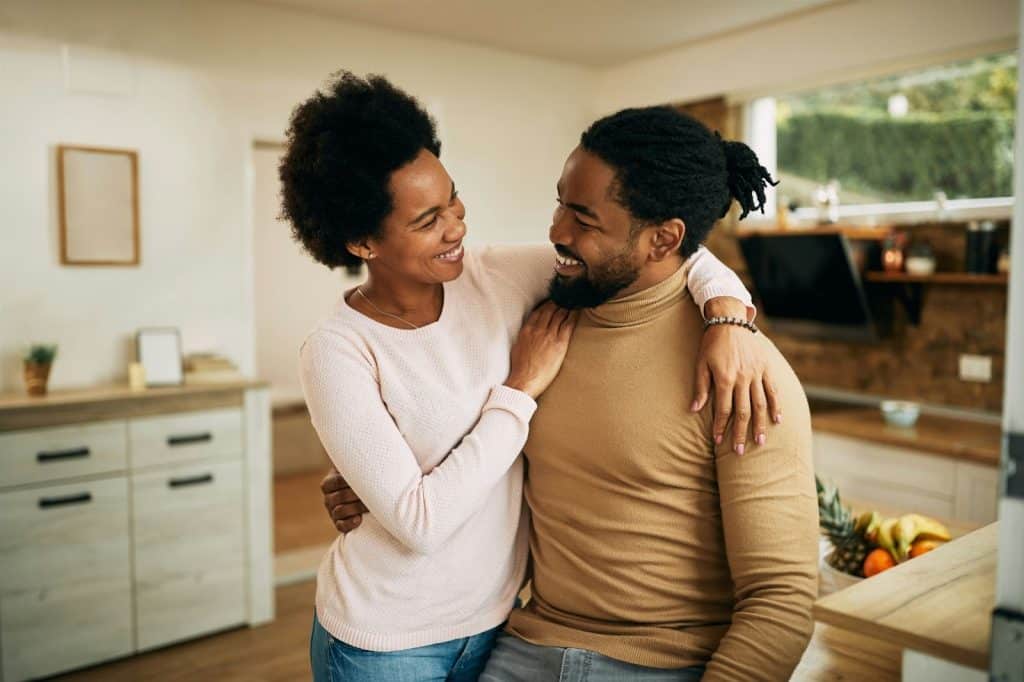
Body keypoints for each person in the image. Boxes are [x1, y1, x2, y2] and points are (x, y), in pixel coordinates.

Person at [284, 72, 778, 682]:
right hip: (384, 643)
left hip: (498, 627)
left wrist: (728, 316)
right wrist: (518, 393)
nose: (456, 226)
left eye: (454, 200)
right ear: (363, 241)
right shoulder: (336, 351)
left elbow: (659, 250)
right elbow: (420, 522)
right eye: (428, 220)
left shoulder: (497, 278)